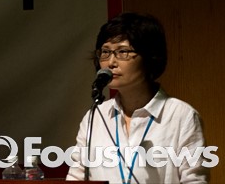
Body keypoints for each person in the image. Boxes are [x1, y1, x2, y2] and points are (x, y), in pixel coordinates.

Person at [66, 12, 210, 183]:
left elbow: (194, 180)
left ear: (149, 57)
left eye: (123, 51)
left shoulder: (181, 115)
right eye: (105, 52)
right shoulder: (96, 115)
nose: (111, 62)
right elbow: (76, 178)